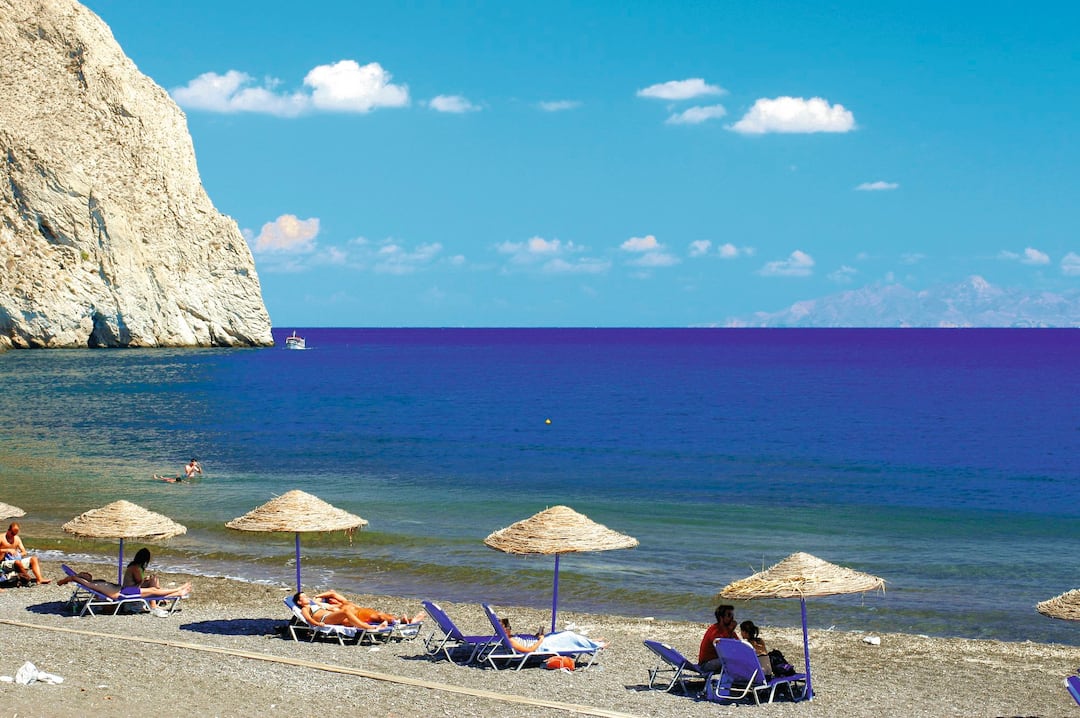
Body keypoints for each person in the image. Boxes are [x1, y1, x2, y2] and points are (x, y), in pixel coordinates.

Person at [292, 591, 425, 630]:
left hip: (333, 617)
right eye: (303, 597)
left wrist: (317, 597)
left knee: (352, 616)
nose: (306, 597)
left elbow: (332, 593)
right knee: (346, 612)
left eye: (306, 595)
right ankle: (367, 627)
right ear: (299, 602)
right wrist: (317, 624)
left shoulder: (315, 602)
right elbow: (308, 619)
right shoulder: (305, 607)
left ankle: (402, 621)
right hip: (323, 619)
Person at [499, 617, 607, 654]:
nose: (510, 629)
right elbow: (530, 650)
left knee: (555, 634)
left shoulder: (509, 638)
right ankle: (596, 645)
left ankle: (590, 640)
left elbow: (527, 644)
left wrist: (537, 636)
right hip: (540, 646)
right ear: (504, 630)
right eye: (507, 628)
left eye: (509, 627)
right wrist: (540, 640)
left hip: (538, 642)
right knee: (568, 635)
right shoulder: (512, 641)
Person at [62, 570, 190, 601]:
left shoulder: (95, 582)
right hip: (121, 594)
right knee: (151, 590)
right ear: (82, 578)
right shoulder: (89, 584)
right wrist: (63, 581)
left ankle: (178, 592)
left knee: (151, 590)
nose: (87, 573)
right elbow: (73, 577)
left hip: (123, 590)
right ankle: (178, 590)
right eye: (84, 574)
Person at [698, 604, 738, 673]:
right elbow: (723, 648)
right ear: (721, 617)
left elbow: (738, 645)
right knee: (731, 661)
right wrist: (730, 631)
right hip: (706, 664)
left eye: (732, 615)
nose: (732, 618)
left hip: (718, 660)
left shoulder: (728, 630)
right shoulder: (714, 630)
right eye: (729, 615)